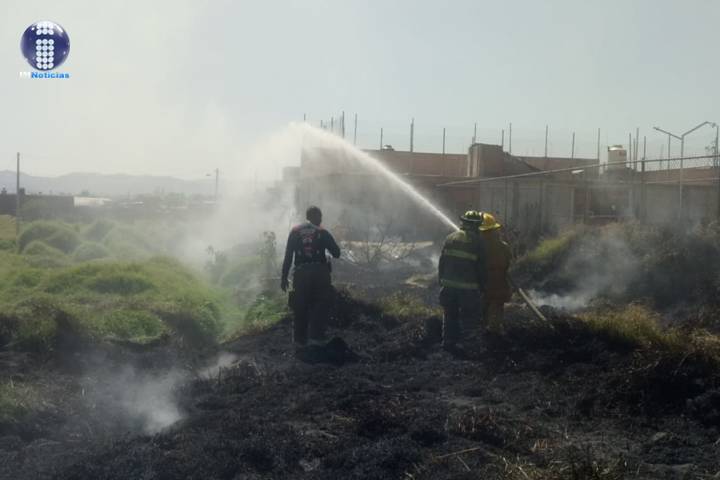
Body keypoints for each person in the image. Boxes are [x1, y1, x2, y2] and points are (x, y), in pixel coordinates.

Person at [281, 206, 341, 347]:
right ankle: (316, 338)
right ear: (317, 217)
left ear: (307, 217)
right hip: (320, 273)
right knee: (320, 304)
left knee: (300, 306)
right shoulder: (322, 231)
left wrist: (283, 277)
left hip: (300, 274)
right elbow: (337, 253)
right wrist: (327, 255)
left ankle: (299, 341)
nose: (321, 220)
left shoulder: (295, 232)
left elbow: (288, 256)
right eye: (320, 217)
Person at [437, 210, 486, 349]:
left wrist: (441, 279)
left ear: (463, 222)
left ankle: (448, 343)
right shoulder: (479, 242)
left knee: (449, 315)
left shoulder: (450, 238)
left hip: (448, 286)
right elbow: (482, 267)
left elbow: (442, 262)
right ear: (477, 225)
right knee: (469, 318)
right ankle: (468, 344)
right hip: (468, 289)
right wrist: (483, 286)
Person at [478, 213, 512, 333]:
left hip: (484, 286)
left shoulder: (479, 247)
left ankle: (485, 334)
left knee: (482, 314)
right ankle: (494, 335)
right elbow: (509, 263)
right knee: (496, 314)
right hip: (500, 286)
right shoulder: (504, 247)